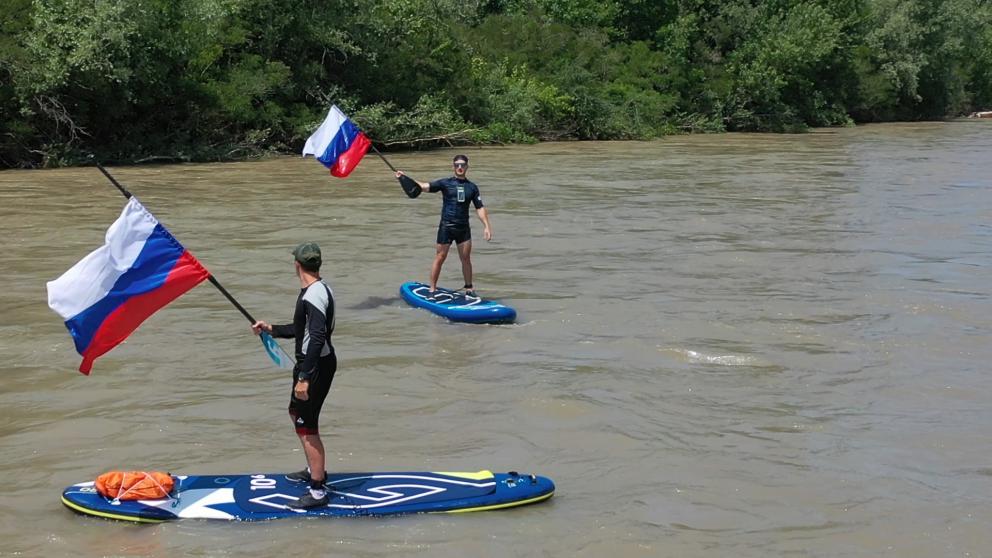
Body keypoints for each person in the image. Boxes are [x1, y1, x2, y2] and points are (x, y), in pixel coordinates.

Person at [251, 242, 336, 510]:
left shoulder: (313, 296)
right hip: (310, 366)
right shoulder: (319, 289)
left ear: (297, 264)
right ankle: (314, 469)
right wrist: (272, 329)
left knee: (307, 426)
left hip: (315, 368)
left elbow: (318, 337)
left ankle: (318, 491)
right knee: (295, 414)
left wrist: (305, 378)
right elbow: (304, 331)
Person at [396, 154, 492, 296]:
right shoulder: (445, 183)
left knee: (465, 259)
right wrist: (404, 178)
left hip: (463, 228)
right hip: (446, 226)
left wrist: (487, 226)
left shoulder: (472, 187)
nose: (460, 167)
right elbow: (423, 186)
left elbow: (480, 207)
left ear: (467, 167)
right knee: (440, 257)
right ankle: (432, 289)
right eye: (457, 165)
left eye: (462, 165)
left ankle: (469, 289)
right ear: (453, 166)